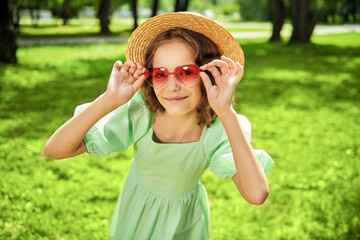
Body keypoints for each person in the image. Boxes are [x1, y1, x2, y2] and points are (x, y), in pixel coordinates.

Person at [44, 12, 274, 240]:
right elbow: (55, 150)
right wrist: (109, 99)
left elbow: (256, 194)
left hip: (184, 222)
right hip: (137, 210)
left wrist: (226, 112)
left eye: (186, 72)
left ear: (209, 73)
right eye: (161, 74)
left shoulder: (221, 127)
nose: (172, 86)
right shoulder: (142, 111)